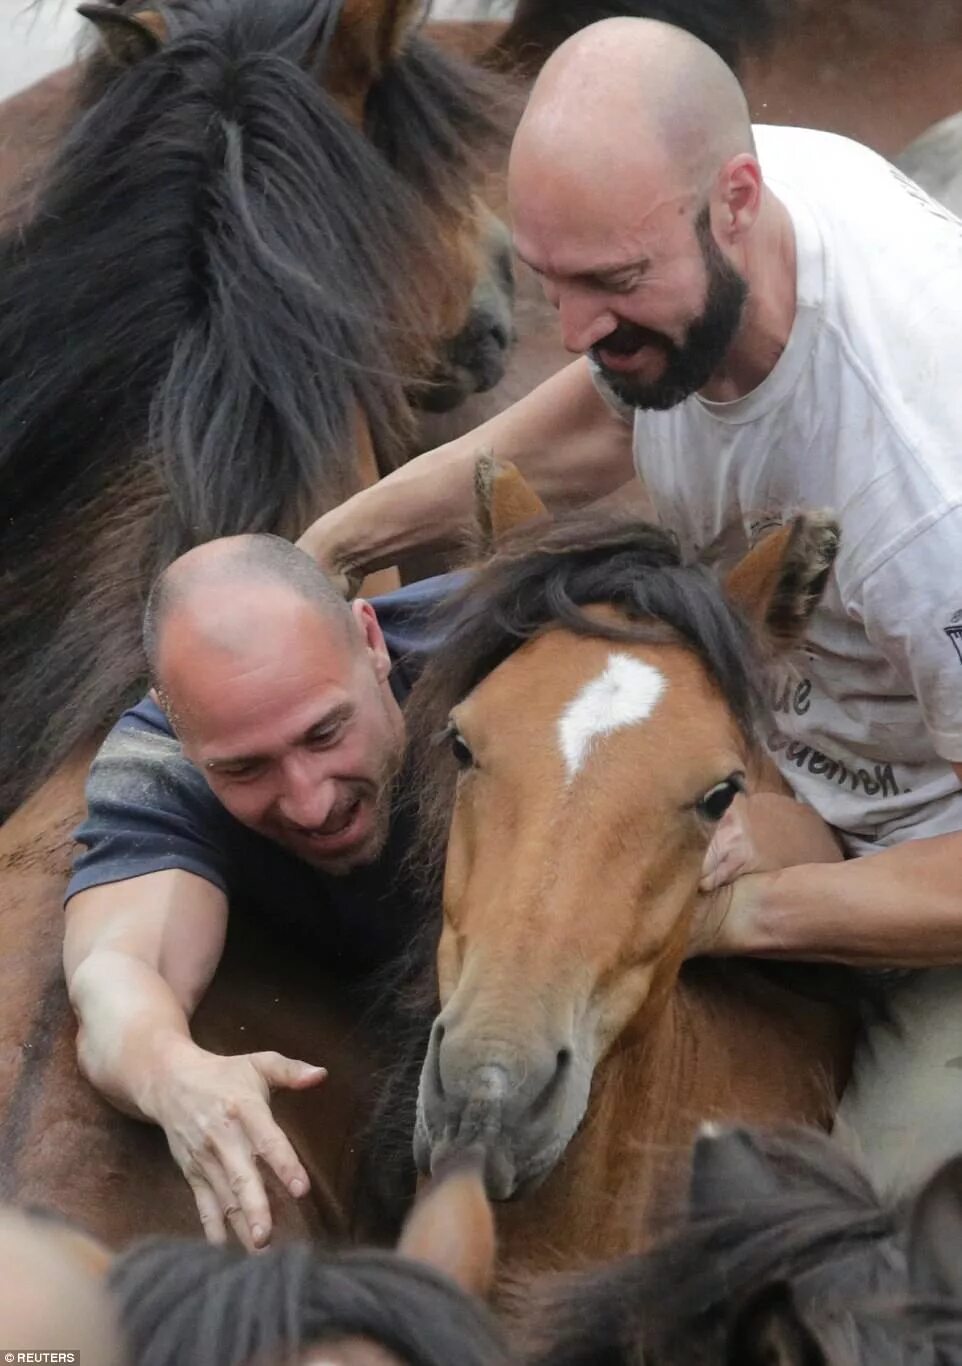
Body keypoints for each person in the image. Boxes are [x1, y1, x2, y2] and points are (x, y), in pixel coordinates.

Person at [298, 18, 962, 1192]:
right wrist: (330, 549)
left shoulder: (924, 502)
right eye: (554, 282)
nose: (578, 330)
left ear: (734, 204)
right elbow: (606, 406)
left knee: (879, 1223)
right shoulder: (722, 223)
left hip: (925, 851)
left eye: (611, 285)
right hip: (783, 747)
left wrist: (728, 915)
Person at [64, 534, 451, 1252]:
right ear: (177, 728)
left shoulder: (499, 641)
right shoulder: (158, 768)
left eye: (325, 732)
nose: (308, 802)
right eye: (245, 770)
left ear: (370, 639)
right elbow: (116, 973)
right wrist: (171, 1072)